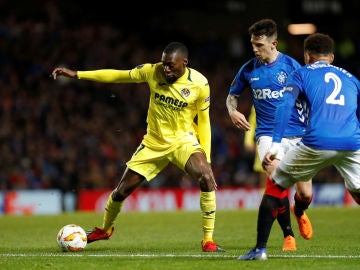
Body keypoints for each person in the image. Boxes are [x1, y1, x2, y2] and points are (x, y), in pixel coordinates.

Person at [51, 41, 225, 252]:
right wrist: (77, 74)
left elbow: (204, 121)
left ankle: (208, 241)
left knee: (206, 177)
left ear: (184, 63)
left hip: (183, 142)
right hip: (153, 143)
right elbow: (117, 75)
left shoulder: (200, 83)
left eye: (171, 65)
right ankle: (105, 230)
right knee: (120, 193)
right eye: (164, 64)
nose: (166, 69)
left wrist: (206, 158)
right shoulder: (152, 71)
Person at [226, 18, 313, 260]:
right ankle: (277, 239)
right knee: (276, 179)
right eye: (252, 44)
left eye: (259, 44)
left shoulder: (292, 67)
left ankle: (300, 210)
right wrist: (232, 110)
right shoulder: (248, 69)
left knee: (305, 194)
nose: (254, 49)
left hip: (297, 135)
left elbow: (309, 100)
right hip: (266, 134)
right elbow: (231, 96)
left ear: (273, 43)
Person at [263, 33, 360, 243]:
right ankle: (289, 233)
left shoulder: (302, 73)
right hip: (338, 140)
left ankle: (265, 243)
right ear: (332, 57)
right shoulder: (352, 78)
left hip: (315, 139)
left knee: (290, 190)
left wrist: (275, 143)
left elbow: (285, 105)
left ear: (307, 55)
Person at [243, 105, 267, 189]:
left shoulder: (285, 96)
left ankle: (281, 199)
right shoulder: (259, 99)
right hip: (262, 142)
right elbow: (252, 123)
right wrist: (248, 140)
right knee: (264, 175)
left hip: (281, 141)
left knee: (281, 174)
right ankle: (265, 200)